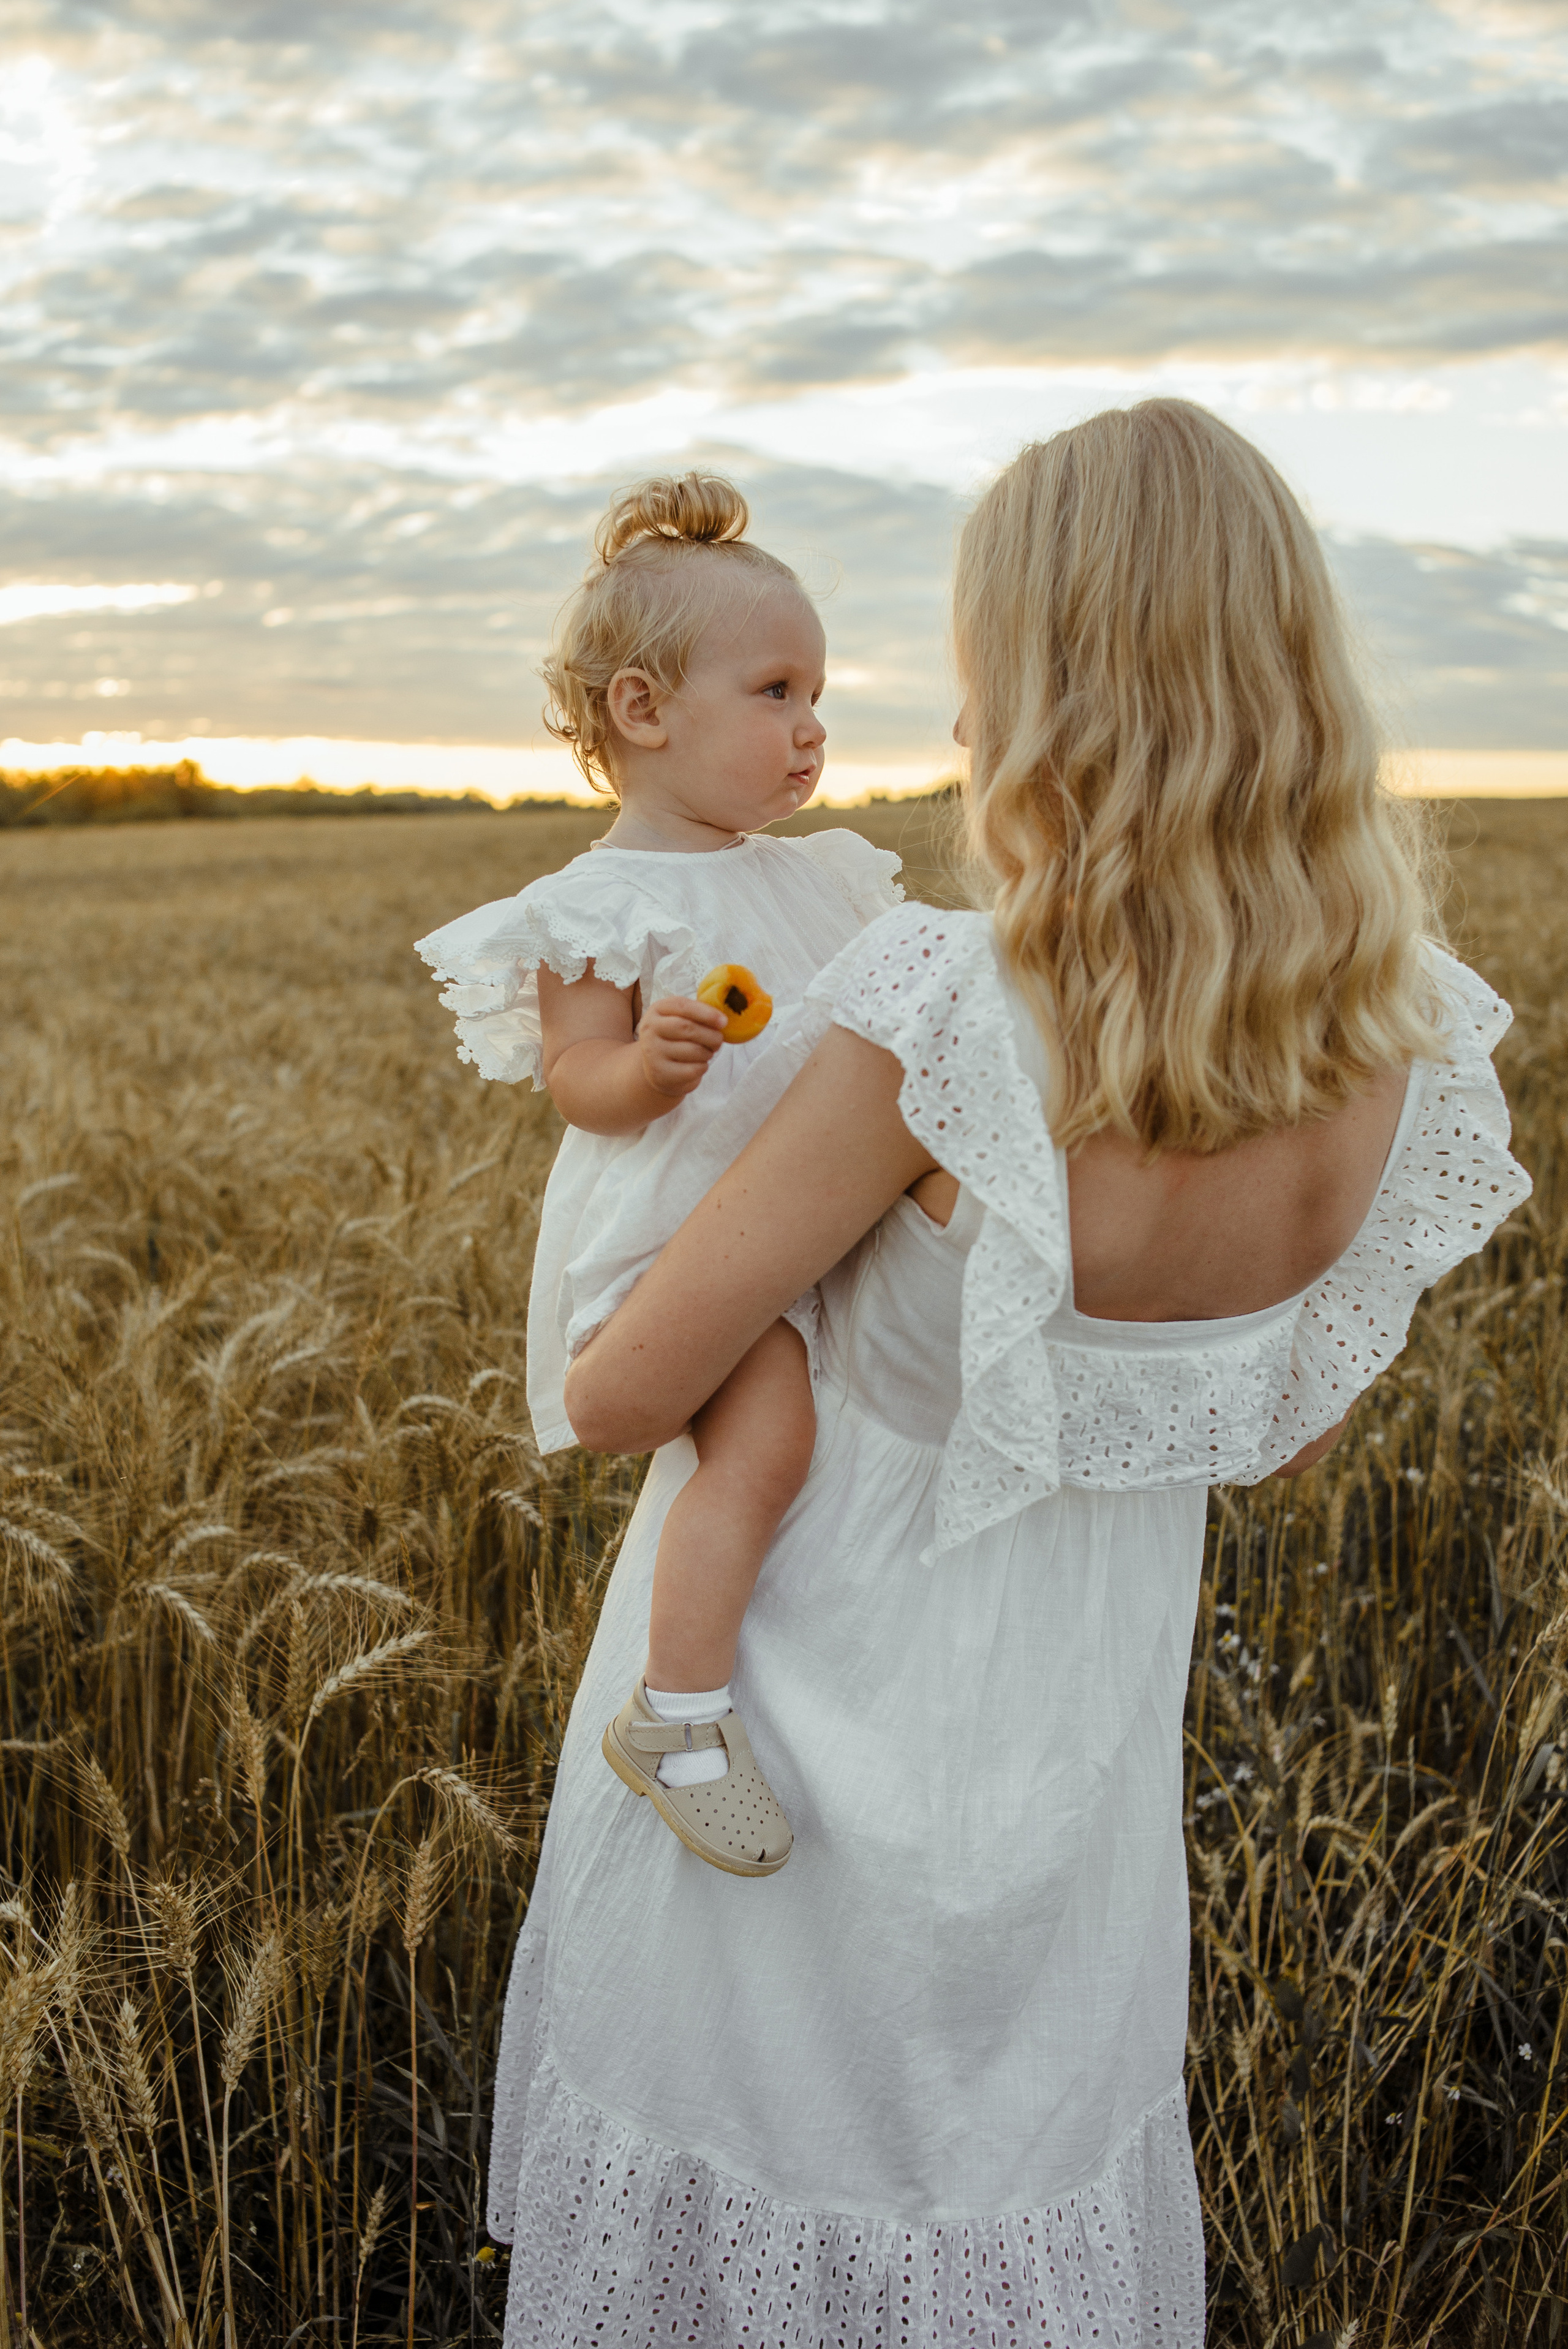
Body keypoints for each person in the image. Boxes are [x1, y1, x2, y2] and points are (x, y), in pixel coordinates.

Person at [487, 401, 1531, 2345]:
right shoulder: (1408, 1042)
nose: (963, 724)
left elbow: (622, 1395)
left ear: (1060, 689)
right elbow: (1283, 1439)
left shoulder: (955, 1013)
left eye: (985, 666)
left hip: (788, 1738)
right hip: (1072, 1768)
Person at [416, 474, 903, 1877]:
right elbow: (576, 1079)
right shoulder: (598, 908)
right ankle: (677, 1714)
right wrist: (651, 1066)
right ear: (642, 710)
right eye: (774, 692)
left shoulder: (814, 879)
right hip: (687, 1237)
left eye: (815, 696)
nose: (809, 729)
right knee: (766, 1445)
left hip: (810, 1220)